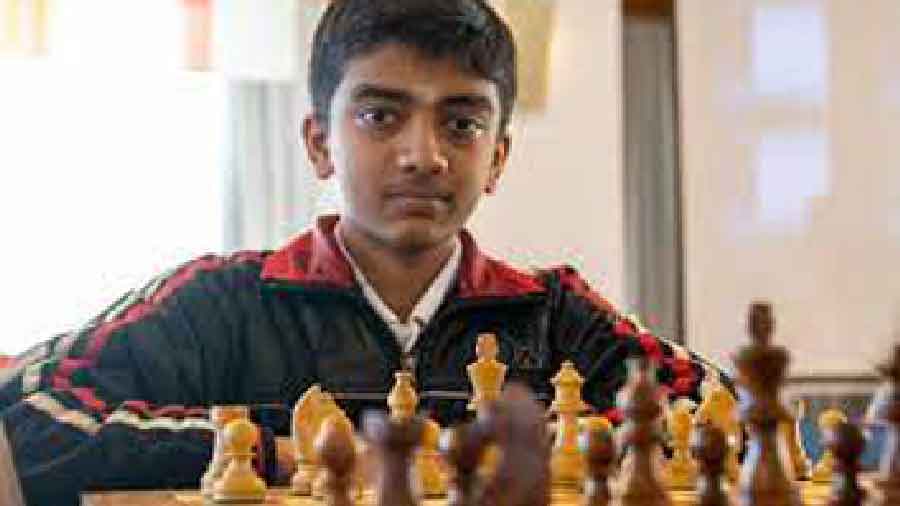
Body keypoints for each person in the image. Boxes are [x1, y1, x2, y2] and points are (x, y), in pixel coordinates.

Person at [0, 0, 728, 503]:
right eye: (381, 115)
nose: (424, 156)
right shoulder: (219, 302)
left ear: (498, 157)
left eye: (461, 123)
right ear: (320, 143)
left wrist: (547, 443)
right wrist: (279, 453)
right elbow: (32, 409)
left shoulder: (555, 313)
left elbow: (722, 409)